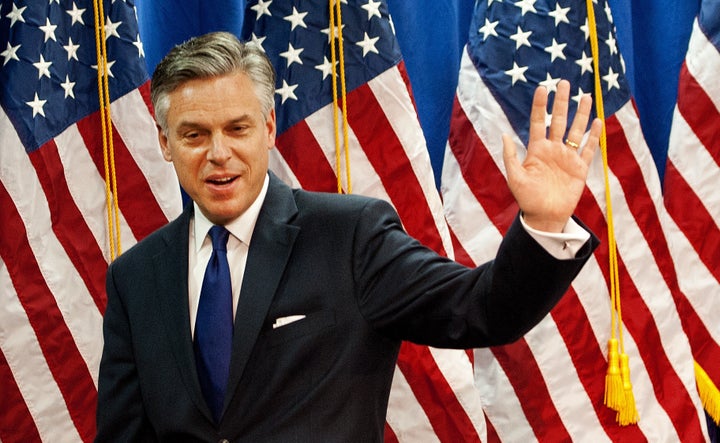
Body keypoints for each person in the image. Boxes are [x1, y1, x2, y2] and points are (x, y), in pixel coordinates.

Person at [95, 31, 601, 442]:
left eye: (237, 128)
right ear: (165, 142)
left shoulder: (349, 236)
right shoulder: (135, 277)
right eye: (194, 134)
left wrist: (543, 224)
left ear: (269, 127)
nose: (219, 152)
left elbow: (484, 309)